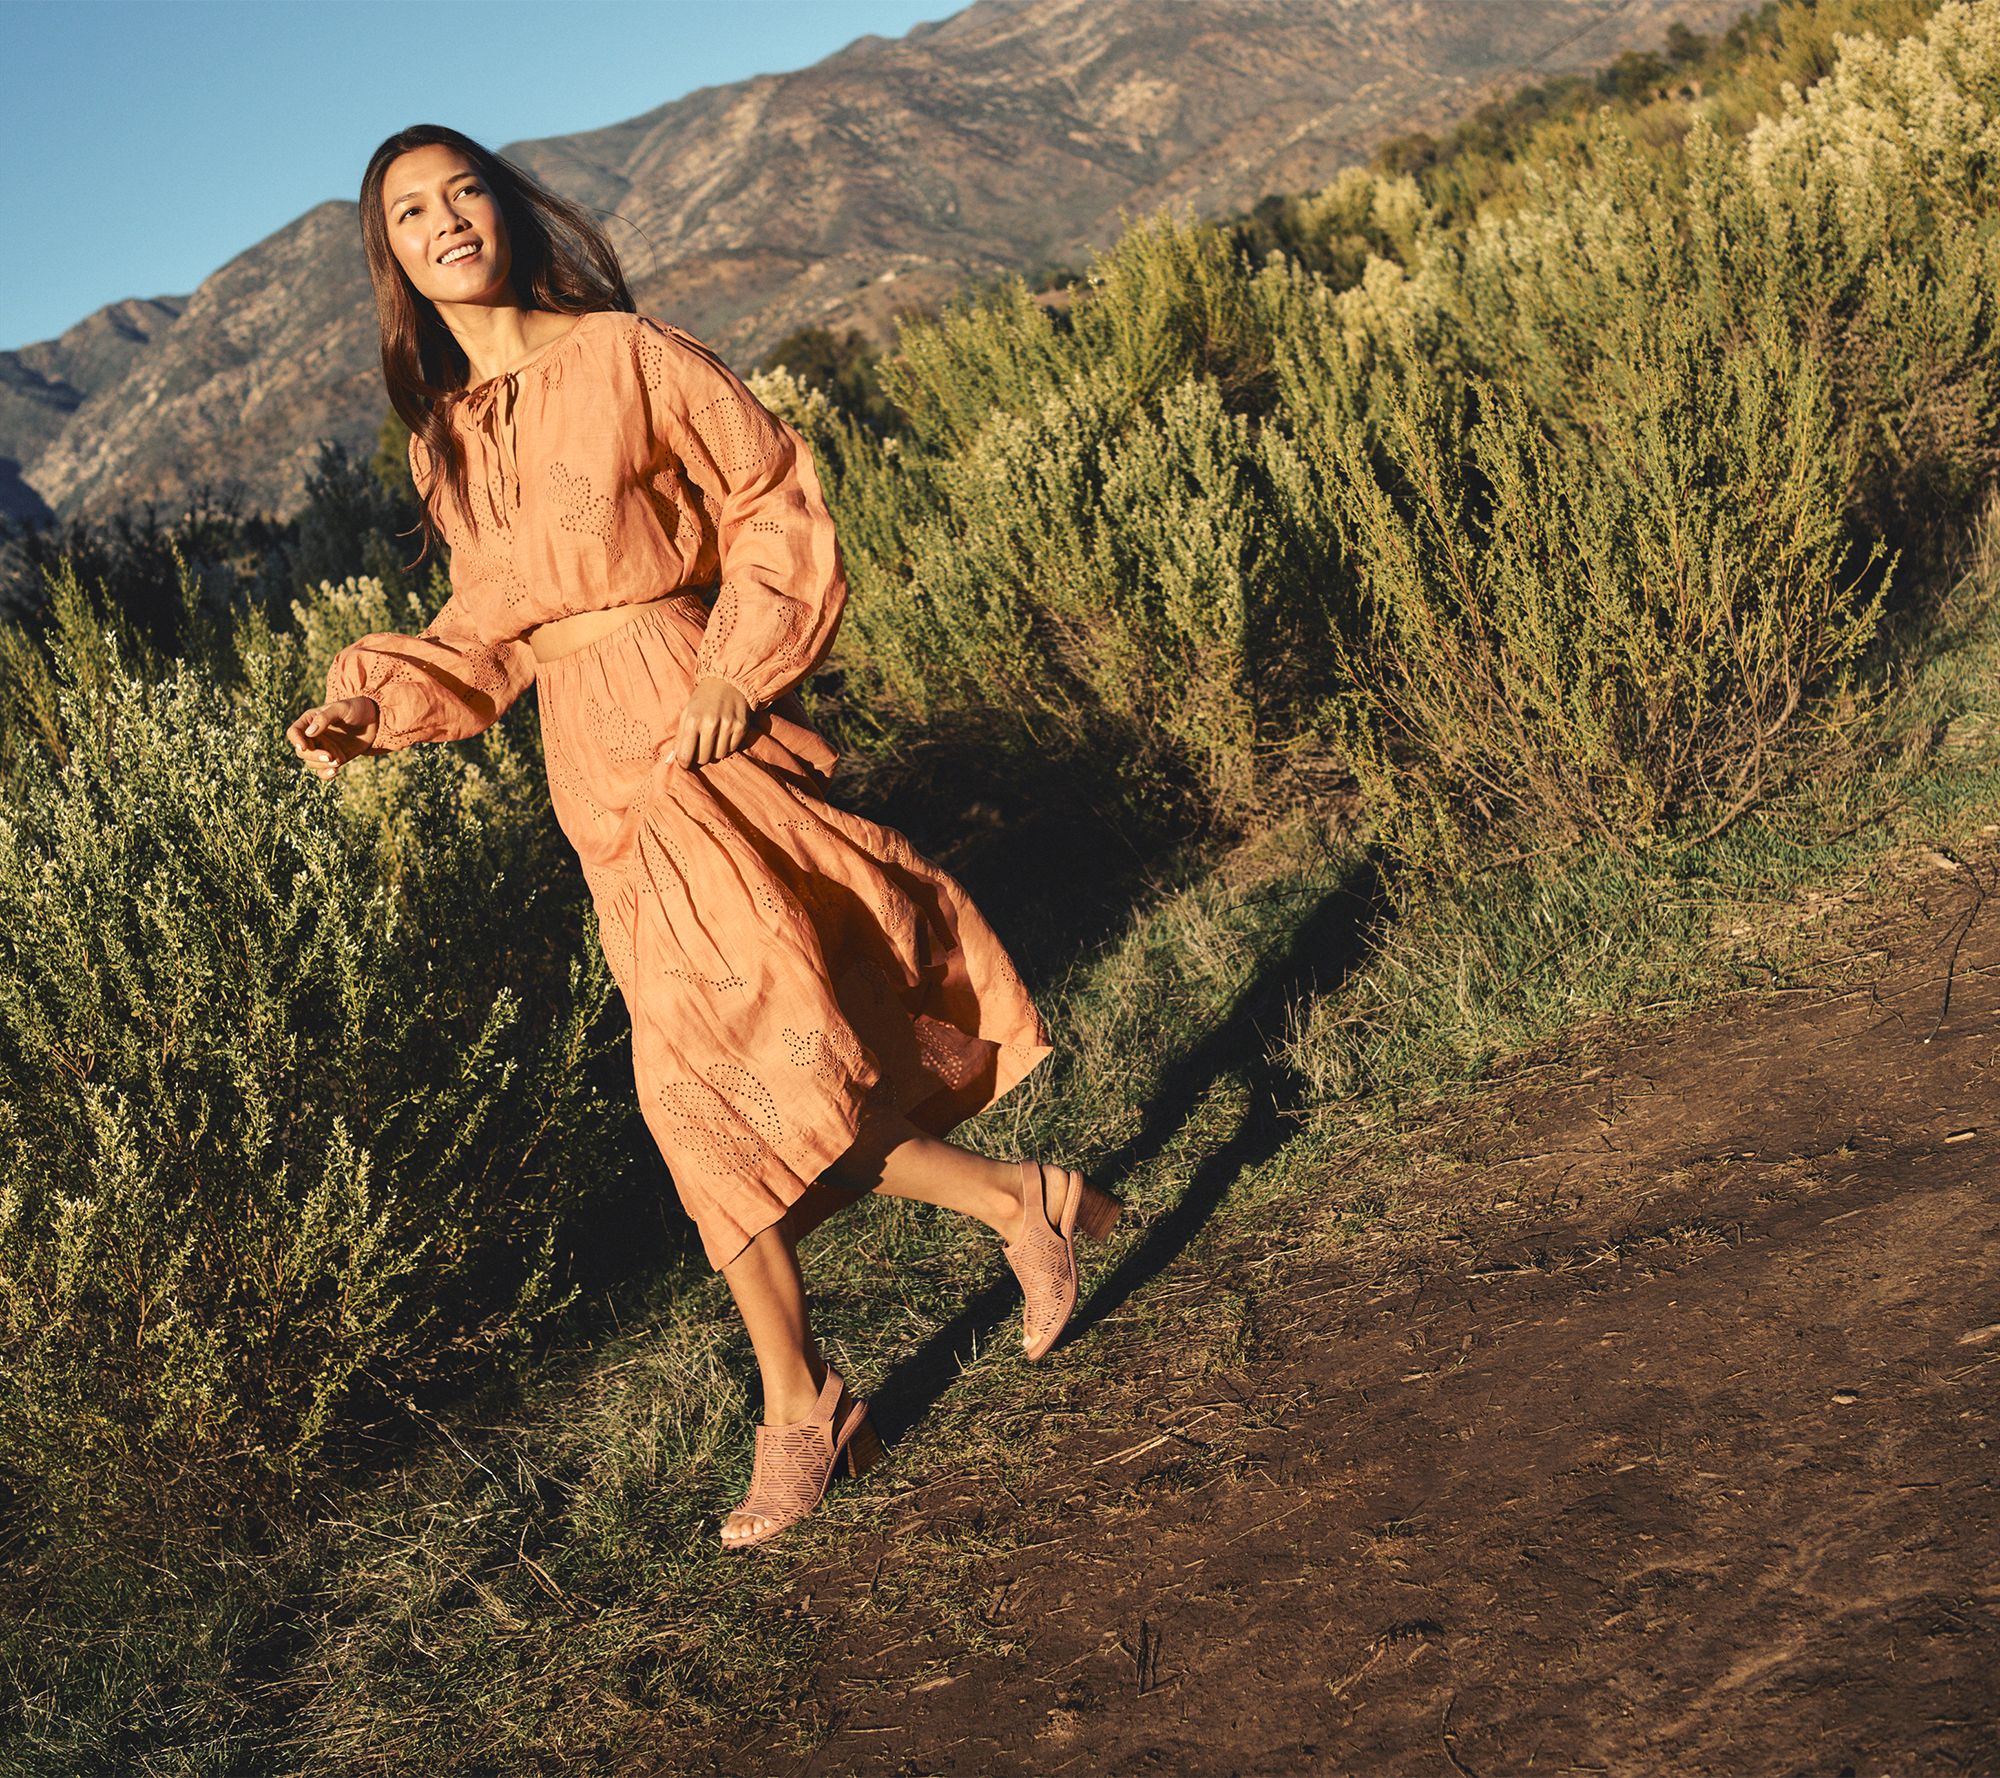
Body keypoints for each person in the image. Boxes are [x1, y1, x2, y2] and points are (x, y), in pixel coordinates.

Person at [283, 125, 1120, 1551]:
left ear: (505, 207)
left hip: (690, 721)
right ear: (394, 260)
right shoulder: (444, 440)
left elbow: (769, 491)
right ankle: (976, 1241)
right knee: (710, 1091)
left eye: (463, 190)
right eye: (410, 212)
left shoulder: (626, 353)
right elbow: (490, 630)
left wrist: (740, 662)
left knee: (751, 1060)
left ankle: (815, 1398)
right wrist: (376, 699)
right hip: (588, 770)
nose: (445, 221)